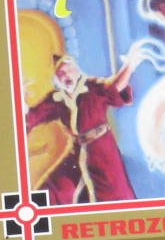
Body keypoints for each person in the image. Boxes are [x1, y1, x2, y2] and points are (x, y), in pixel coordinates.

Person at [25, 49, 142, 203]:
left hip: (102, 151)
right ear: (57, 80)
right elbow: (32, 117)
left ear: (77, 71)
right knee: (54, 191)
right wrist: (21, 103)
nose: (66, 76)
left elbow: (114, 87)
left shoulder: (93, 88)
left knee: (114, 193)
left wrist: (129, 66)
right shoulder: (57, 100)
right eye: (61, 74)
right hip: (77, 152)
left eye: (68, 71)